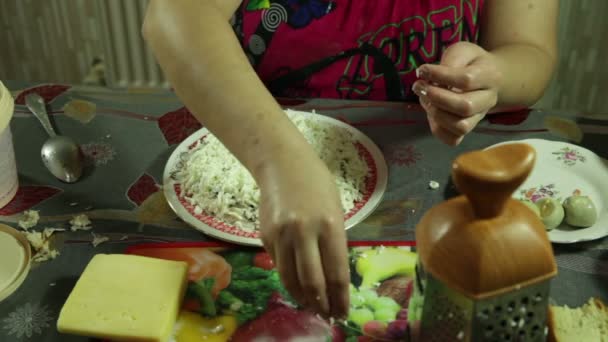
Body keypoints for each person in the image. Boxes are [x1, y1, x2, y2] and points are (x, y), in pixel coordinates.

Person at [142, 0, 558, 319]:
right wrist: (279, 161)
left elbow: (530, 51)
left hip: (429, 167)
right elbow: (175, 14)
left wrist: (492, 77)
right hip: (257, 150)